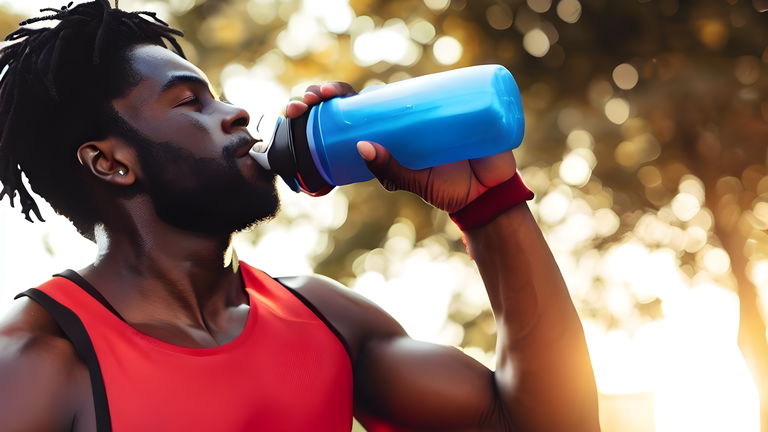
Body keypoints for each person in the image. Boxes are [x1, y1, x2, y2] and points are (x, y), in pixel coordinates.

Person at [0, 1, 599, 431]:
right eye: (190, 102)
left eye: (219, 95)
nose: (235, 113)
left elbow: (536, 423)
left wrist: (490, 210)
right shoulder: (36, 361)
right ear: (109, 162)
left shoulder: (324, 316)